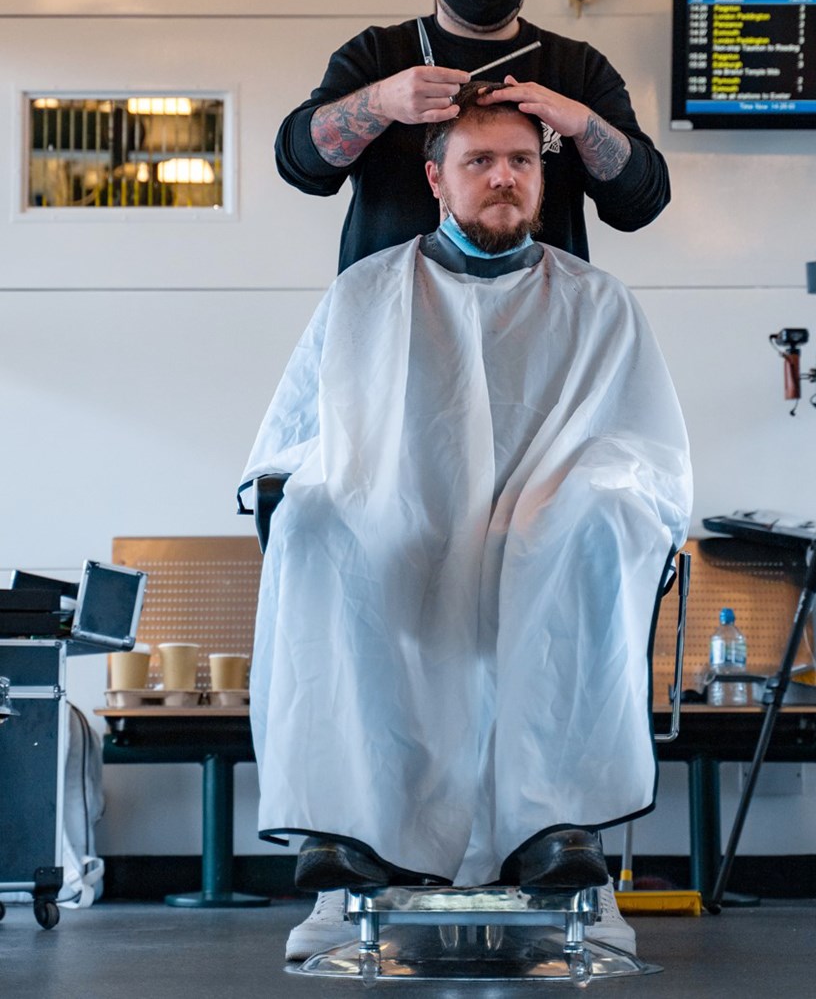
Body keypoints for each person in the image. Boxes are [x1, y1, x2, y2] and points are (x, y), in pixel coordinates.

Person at [243, 86, 691, 962]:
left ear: (542, 180)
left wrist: (565, 506)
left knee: (598, 521)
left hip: (544, 526)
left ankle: (561, 831)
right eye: (478, 162)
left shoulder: (599, 302)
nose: (502, 178)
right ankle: (349, 837)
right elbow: (296, 433)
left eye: (521, 161)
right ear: (436, 180)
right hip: (400, 524)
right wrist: (315, 494)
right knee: (312, 524)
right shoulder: (366, 292)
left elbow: (645, 446)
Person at [275, 0, 670, 273]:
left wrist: (583, 124)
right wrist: (380, 103)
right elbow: (300, 165)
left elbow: (641, 203)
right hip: (398, 318)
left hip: (538, 320)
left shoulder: (577, 67)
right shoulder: (378, 54)